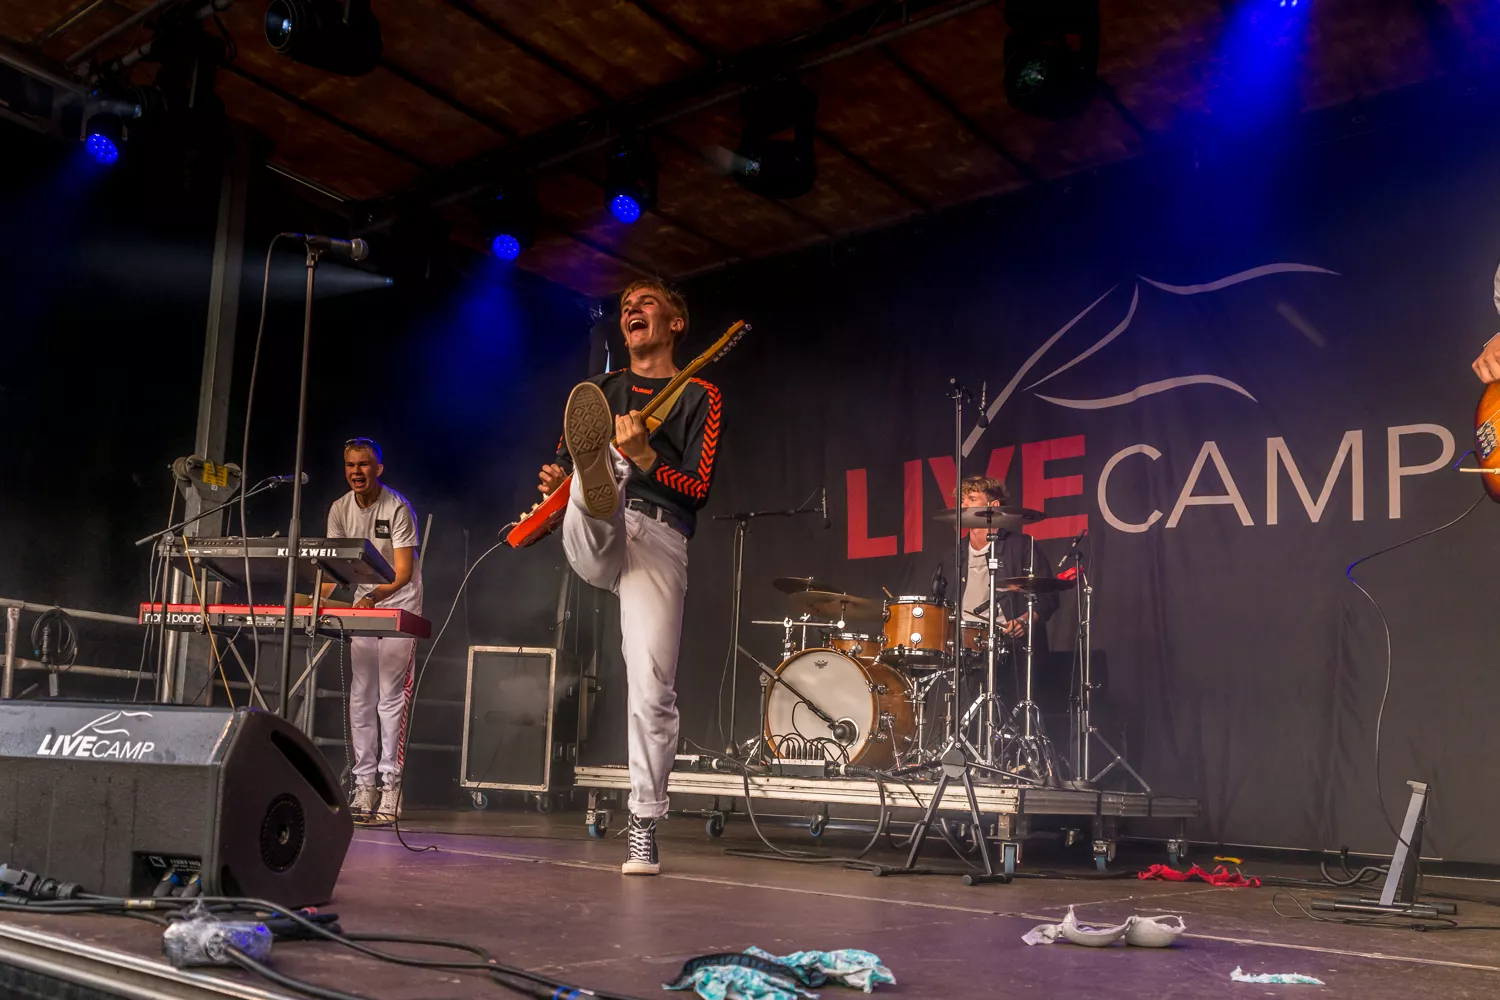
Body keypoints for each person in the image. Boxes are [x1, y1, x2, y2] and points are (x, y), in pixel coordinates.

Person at [537, 280, 722, 875]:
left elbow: (697, 488)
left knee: (652, 685)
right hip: (598, 530)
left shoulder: (700, 394)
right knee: (587, 493)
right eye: (625, 306)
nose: (631, 310)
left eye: (646, 302)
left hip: (660, 536)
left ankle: (643, 821)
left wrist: (643, 457)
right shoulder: (596, 394)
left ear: (675, 322)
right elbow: (554, 469)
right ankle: (595, 488)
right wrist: (556, 483)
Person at [325, 437, 422, 823]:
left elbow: (403, 572)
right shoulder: (339, 508)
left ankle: (390, 786)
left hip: (400, 604)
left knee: (390, 697)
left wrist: (373, 597)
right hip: (363, 607)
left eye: (363, 464)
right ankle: (364, 785)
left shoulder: (397, 507)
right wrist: (310, 599)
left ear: (378, 468)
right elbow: (333, 568)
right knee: (361, 696)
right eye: (350, 465)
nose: (356, 472)